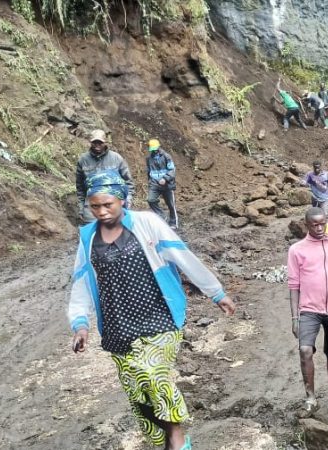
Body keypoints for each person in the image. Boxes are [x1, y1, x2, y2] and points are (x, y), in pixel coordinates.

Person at [68, 170, 236, 450]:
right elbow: (81, 282)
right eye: (95, 206)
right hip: (118, 326)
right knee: (137, 392)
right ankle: (164, 441)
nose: (101, 211)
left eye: (107, 204)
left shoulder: (146, 223)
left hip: (158, 317)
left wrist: (215, 292)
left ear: (123, 200)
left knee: (151, 372)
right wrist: (80, 324)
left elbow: (182, 255)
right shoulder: (88, 237)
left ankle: (178, 438)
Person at [287, 207, 328, 419]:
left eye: (322, 223)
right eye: (314, 224)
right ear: (306, 225)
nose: (319, 228)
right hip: (308, 310)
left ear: (327, 222)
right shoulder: (297, 250)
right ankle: (310, 399)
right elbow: (293, 284)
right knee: (305, 350)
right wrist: (295, 318)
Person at [75, 129, 134, 224]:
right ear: (90, 142)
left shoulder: (116, 158)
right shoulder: (83, 160)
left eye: (100, 142)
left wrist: (128, 201)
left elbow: (128, 182)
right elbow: (80, 186)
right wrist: (81, 207)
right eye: (95, 142)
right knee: (92, 235)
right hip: (92, 207)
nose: (97, 145)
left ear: (105, 142)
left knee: (116, 234)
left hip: (114, 205)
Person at [145, 138, 178, 229]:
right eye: (152, 149)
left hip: (167, 185)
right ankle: (162, 216)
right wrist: (150, 181)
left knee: (171, 204)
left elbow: (172, 170)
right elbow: (148, 170)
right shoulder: (149, 159)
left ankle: (173, 222)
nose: (154, 151)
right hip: (154, 184)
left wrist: (165, 178)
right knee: (151, 200)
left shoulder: (166, 156)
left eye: (155, 149)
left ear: (158, 147)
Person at [301, 160, 328, 235]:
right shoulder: (310, 175)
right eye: (315, 167)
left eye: (318, 167)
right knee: (316, 215)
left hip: (325, 198)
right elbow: (304, 181)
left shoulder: (326, 174)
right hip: (315, 198)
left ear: (321, 166)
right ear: (313, 167)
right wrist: (303, 183)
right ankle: (317, 232)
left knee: (325, 215)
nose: (317, 169)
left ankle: (327, 232)